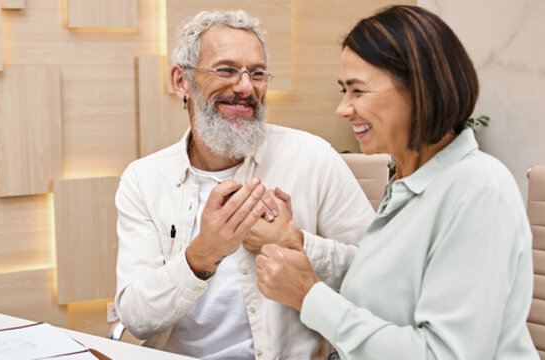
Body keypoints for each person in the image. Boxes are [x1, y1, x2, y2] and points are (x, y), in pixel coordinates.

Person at [254, 5, 538, 359]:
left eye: (357, 91)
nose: (343, 108)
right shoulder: (409, 181)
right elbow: (380, 293)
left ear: (418, 87)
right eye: (344, 91)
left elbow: (442, 355)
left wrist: (308, 296)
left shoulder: (479, 190)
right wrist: (294, 243)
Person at [113, 9, 376, 360]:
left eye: (257, 73)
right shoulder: (144, 180)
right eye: (226, 70)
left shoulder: (312, 156)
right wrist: (202, 253)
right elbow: (137, 318)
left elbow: (376, 275)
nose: (245, 87)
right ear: (181, 81)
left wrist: (294, 242)